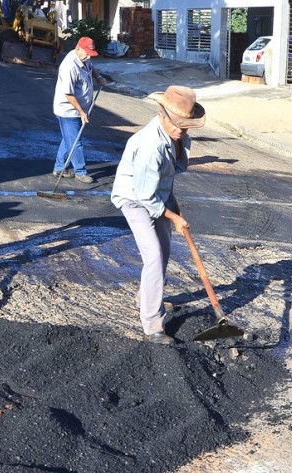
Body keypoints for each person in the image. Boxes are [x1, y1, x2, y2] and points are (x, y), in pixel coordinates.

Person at [111, 85, 205, 345]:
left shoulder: (177, 136)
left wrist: (174, 206)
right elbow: (144, 195)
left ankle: (146, 295)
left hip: (158, 197)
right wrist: (174, 218)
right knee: (153, 254)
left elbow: (167, 177)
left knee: (163, 252)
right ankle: (152, 323)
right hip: (134, 199)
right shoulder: (150, 145)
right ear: (162, 115)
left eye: (185, 125)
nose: (181, 130)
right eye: (177, 125)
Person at [52, 36, 107, 183]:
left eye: (91, 54)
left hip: (78, 109)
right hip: (68, 110)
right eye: (87, 53)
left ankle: (58, 168)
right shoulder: (69, 66)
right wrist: (82, 112)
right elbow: (68, 94)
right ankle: (80, 171)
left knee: (69, 139)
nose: (89, 57)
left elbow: (91, 67)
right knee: (76, 142)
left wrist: (98, 77)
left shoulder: (83, 58)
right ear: (78, 49)